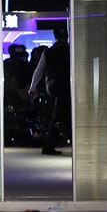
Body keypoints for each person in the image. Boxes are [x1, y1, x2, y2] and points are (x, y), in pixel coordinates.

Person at [29, 27, 70, 155]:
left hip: (53, 85)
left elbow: (39, 71)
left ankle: (49, 144)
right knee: (62, 114)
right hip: (67, 84)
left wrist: (33, 88)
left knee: (58, 114)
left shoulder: (49, 51)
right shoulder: (70, 49)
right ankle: (50, 144)